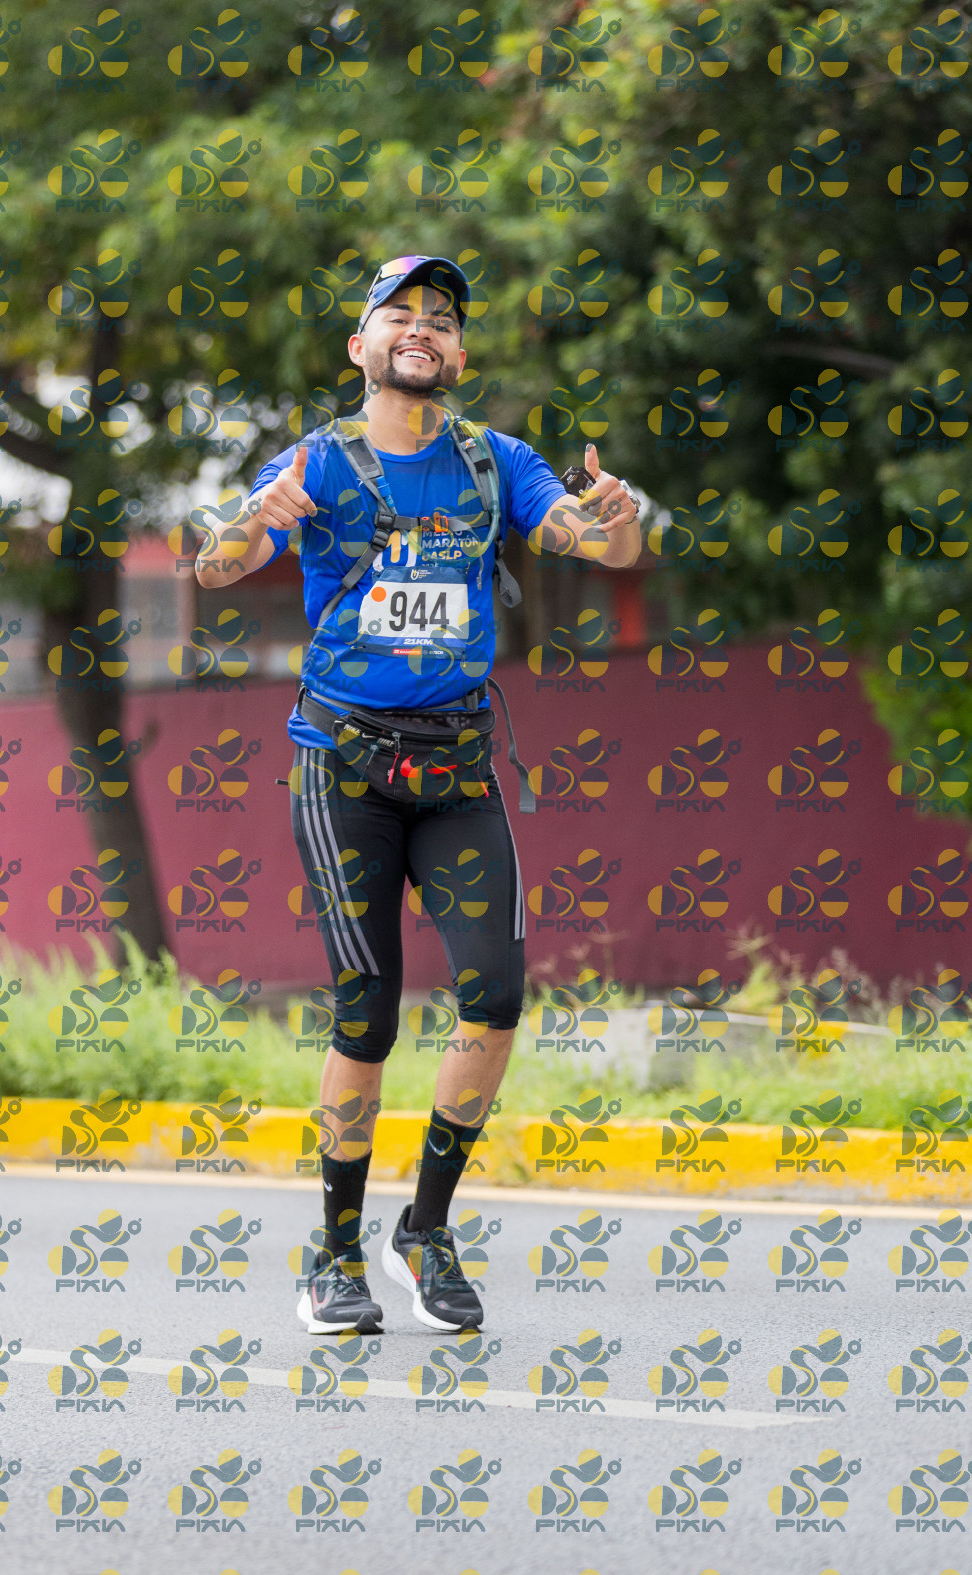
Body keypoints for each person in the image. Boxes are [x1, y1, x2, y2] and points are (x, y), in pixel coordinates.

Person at [196, 254, 640, 1333]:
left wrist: (619, 515)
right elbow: (213, 566)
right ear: (362, 347)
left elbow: (605, 547)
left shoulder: (498, 462)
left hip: (456, 768)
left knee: (496, 995)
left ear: (460, 353)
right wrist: (255, 518)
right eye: (399, 315)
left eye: (441, 318)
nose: (422, 329)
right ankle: (333, 1254)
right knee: (368, 1014)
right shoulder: (318, 460)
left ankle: (425, 1231)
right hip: (343, 767)